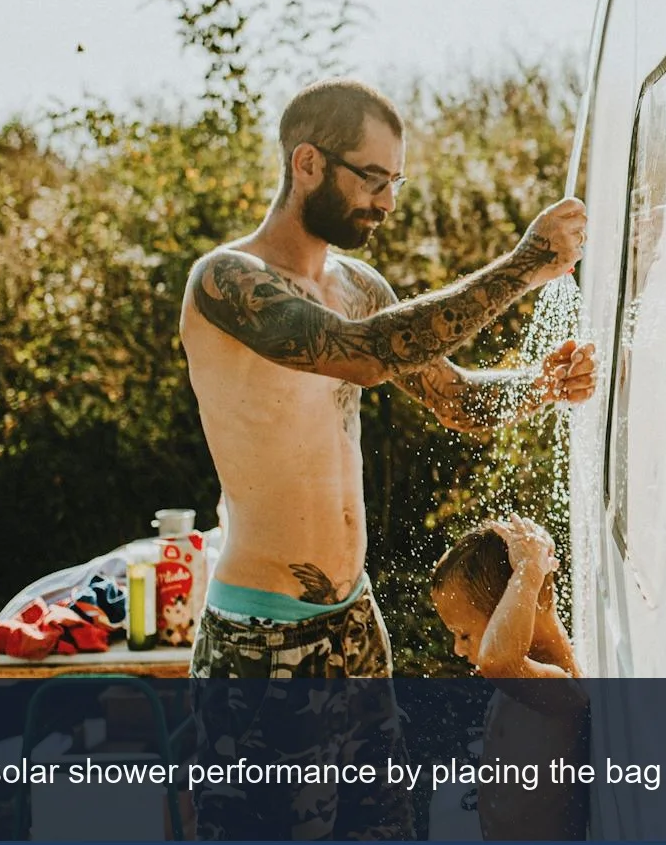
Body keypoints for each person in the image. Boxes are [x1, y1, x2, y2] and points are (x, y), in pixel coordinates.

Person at [179, 77, 598, 840]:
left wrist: (542, 385)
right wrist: (521, 265)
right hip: (265, 640)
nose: (388, 201)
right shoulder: (225, 281)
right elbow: (365, 356)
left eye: (396, 181)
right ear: (307, 162)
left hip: (355, 620)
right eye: (373, 179)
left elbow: (460, 402)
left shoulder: (358, 285)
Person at [431, 516, 588, 841]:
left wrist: (529, 571)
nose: (457, 649)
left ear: (511, 612)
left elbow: (497, 660)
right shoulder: (527, 674)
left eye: (463, 634)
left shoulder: (556, 687)